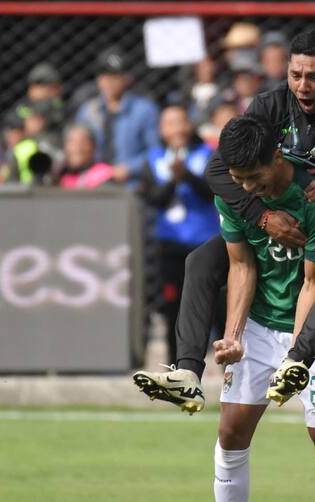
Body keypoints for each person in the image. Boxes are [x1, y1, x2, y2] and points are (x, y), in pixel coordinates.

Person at [149, 114, 315, 502]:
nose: (248, 189)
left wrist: (297, 356)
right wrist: (232, 337)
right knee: (230, 434)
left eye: (255, 178)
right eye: (239, 180)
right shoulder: (236, 196)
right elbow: (242, 266)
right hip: (262, 324)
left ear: (278, 159)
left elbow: (313, 283)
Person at [132, 30, 315, 413]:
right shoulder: (269, 106)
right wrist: (262, 216)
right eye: (295, 74)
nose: (302, 86)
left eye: (314, 77)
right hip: (273, 217)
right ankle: (187, 373)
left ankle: (297, 362)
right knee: (199, 261)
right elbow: (221, 169)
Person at [137, 104, 219, 365]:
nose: (177, 129)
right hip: (170, 245)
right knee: (174, 307)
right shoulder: (153, 159)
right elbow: (155, 199)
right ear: (162, 130)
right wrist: (174, 180)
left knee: (215, 305)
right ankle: (177, 364)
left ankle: (225, 363)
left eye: (181, 121)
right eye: (170, 123)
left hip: (204, 242)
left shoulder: (207, 154)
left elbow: (211, 192)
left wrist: (188, 177)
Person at [75, 47, 159, 184]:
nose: (110, 82)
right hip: (93, 183)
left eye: (116, 77)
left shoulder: (144, 110)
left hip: (132, 184)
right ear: (98, 79)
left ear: (127, 78)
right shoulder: (87, 112)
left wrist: (129, 168)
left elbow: (155, 151)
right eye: (105, 76)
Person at [57, 124, 115, 189]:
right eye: (72, 142)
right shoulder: (60, 175)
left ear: (93, 146)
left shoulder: (104, 175)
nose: (77, 148)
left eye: (83, 142)